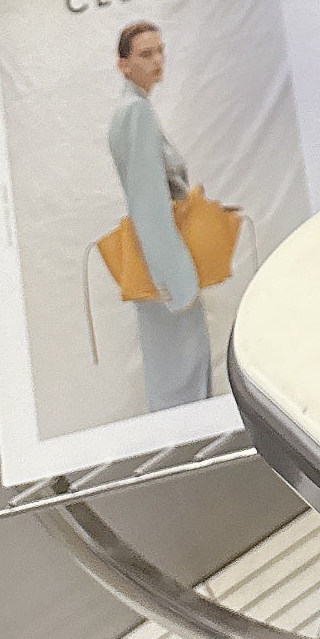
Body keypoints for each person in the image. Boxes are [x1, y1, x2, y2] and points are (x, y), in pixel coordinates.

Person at [107, 20, 211, 412]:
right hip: (166, 270)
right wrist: (177, 283)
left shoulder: (134, 110)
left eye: (160, 51)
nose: (157, 61)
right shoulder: (136, 113)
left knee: (175, 379)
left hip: (159, 262)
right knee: (181, 385)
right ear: (123, 64)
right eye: (145, 54)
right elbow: (148, 202)